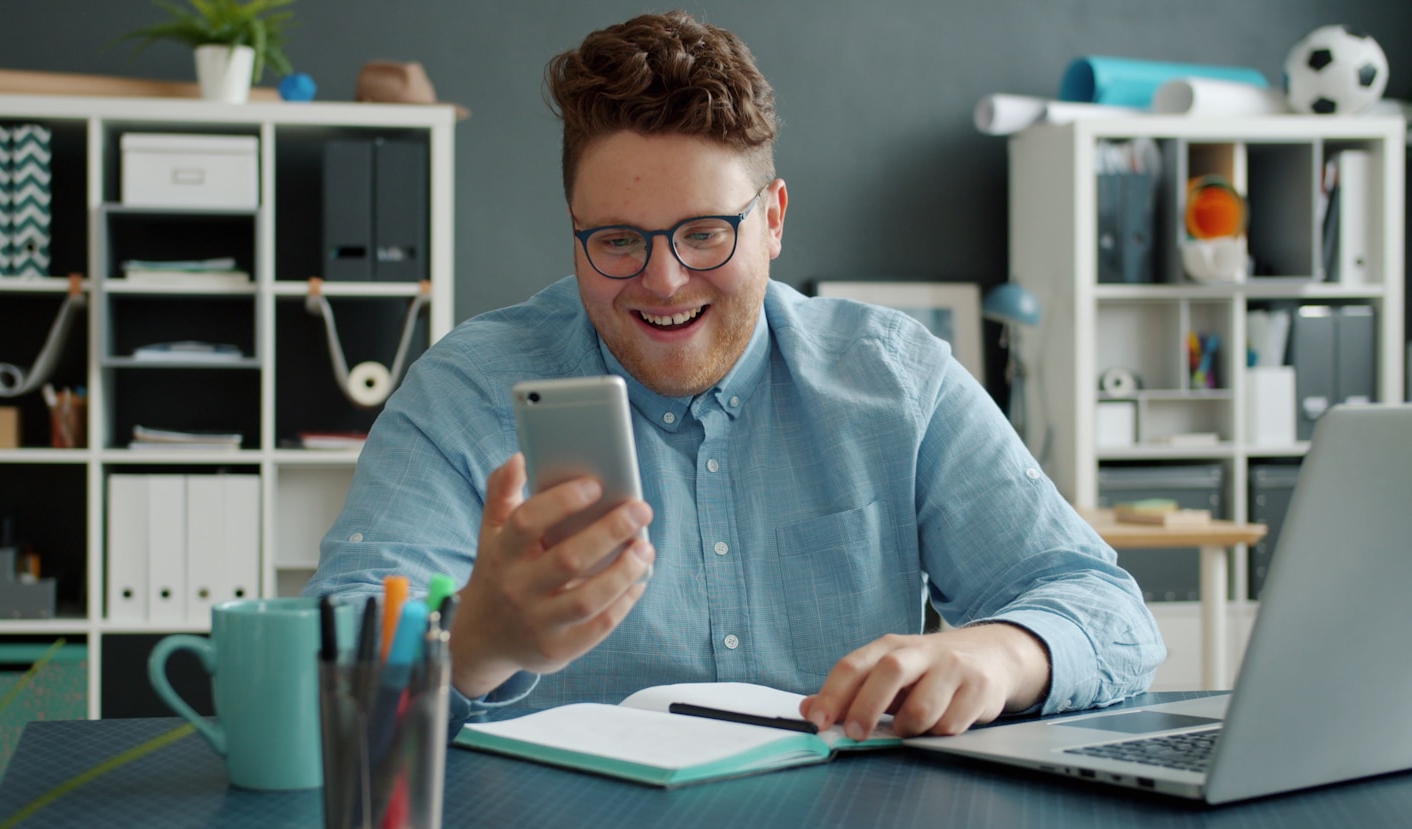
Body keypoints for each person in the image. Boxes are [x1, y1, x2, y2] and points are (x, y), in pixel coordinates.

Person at [306, 10, 1163, 739]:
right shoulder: (464, 392)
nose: (664, 280)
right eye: (616, 240)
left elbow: (1106, 611)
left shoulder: (895, 379)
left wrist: (997, 652)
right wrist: (476, 645)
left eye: (706, 232)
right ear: (575, 235)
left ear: (774, 221)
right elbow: (331, 661)